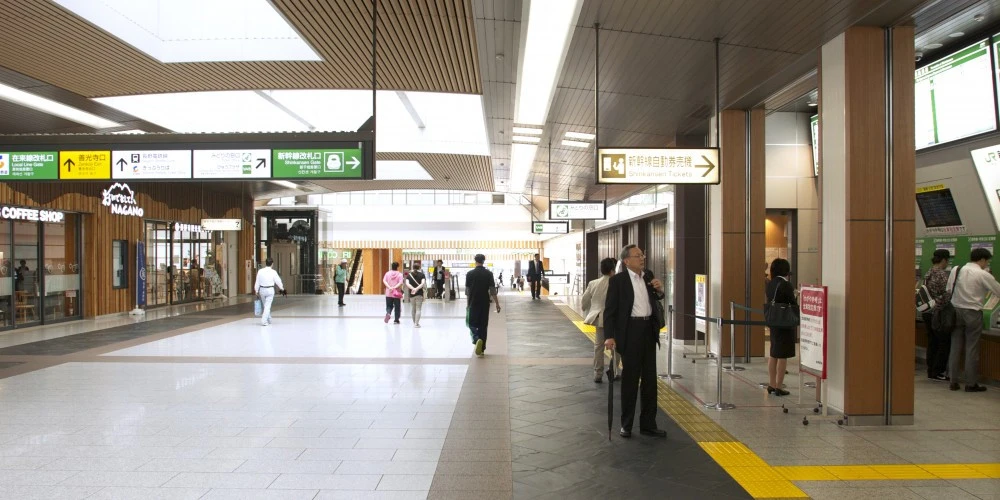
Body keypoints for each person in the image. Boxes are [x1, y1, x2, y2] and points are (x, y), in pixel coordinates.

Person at [603, 245, 666, 439]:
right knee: (630, 380)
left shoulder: (648, 277)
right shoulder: (618, 281)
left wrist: (659, 289)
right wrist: (609, 336)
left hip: (648, 330)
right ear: (627, 260)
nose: (642, 258)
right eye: (637, 255)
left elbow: (656, 299)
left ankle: (648, 424)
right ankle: (626, 424)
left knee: (650, 380)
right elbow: (610, 311)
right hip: (630, 332)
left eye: (642, 255)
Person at [946, 248, 999, 392]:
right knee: (971, 348)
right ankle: (970, 384)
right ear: (982, 259)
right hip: (972, 313)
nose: (986, 264)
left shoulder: (957, 270)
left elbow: (948, 290)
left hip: (956, 311)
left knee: (955, 346)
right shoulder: (982, 274)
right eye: (987, 261)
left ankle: (953, 381)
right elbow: (998, 291)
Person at [582, 257, 621, 383]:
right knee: (616, 347)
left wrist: (587, 310)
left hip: (599, 319)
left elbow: (584, 301)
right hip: (616, 319)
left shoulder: (593, 283)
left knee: (598, 347)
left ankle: (597, 373)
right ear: (613, 269)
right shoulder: (617, 282)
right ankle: (614, 372)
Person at [765, 258, 796, 396]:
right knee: (782, 355)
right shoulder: (785, 285)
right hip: (784, 322)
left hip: (773, 320)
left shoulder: (770, 284)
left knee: (773, 353)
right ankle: (779, 386)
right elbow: (792, 303)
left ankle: (771, 384)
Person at [922, 249, 952, 381]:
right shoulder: (942, 274)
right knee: (943, 342)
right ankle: (938, 371)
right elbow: (947, 295)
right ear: (944, 260)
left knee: (932, 341)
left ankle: (931, 370)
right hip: (937, 313)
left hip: (927, 312)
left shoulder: (929, 272)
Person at [466, 253, 501, 357]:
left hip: (473, 302)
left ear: (475, 261)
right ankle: (481, 350)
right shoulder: (489, 274)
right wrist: (497, 304)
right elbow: (492, 290)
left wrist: (468, 304)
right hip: (485, 303)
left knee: (471, 323)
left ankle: (476, 339)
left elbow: (468, 291)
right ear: (483, 261)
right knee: (483, 325)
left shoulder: (469, 274)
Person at [254, 257, 284, 327]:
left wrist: (256, 290)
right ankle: (264, 321)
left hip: (262, 290)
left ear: (265, 263)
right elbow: (278, 281)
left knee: (266, 305)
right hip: (270, 290)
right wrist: (282, 288)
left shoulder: (260, 271)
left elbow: (257, 281)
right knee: (267, 306)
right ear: (272, 264)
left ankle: (269, 319)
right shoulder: (273, 272)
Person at [407, 262, 427, 327]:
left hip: (412, 294)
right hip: (419, 294)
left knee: (413, 308)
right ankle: (416, 323)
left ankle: (414, 322)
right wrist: (417, 289)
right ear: (419, 267)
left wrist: (413, 289)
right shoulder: (422, 275)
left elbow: (407, 284)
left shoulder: (409, 275)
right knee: (418, 309)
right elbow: (423, 283)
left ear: (413, 267)